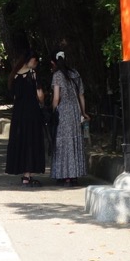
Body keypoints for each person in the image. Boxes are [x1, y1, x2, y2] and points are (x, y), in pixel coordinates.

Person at [5, 52, 46, 186]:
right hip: (32, 111)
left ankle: (24, 174)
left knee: (21, 140)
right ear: (28, 59)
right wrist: (42, 104)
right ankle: (28, 174)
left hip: (18, 112)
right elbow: (39, 93)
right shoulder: (33, 74)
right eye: (35, 60)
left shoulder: (14, 75)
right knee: (31, 140)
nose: (36, 63)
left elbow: (15, 96)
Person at [50, 50, 89, 185]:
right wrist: (83, 113)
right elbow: (81, 95)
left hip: (63, 111)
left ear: (53, 62)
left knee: (63, 143)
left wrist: (53, 110)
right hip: (75, 110)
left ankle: (64, 175)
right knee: (74, 142)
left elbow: (56, 98)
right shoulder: (75, 73)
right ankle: (74, 176)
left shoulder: (57, 76)